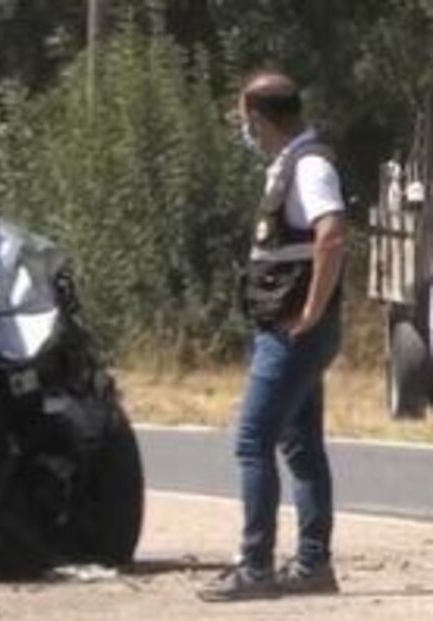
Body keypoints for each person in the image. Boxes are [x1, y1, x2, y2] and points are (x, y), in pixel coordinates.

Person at [198, 70, 346, 602]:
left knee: (252, 442)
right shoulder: (290, 165)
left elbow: (332, 235)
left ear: (260, 118)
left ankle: (256, 568)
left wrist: (311, 310)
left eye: (244, 117)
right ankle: (312, 566)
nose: (242, 127)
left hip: (291, 333)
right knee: (301, 446)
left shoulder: (309, 167)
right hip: (290, 329)